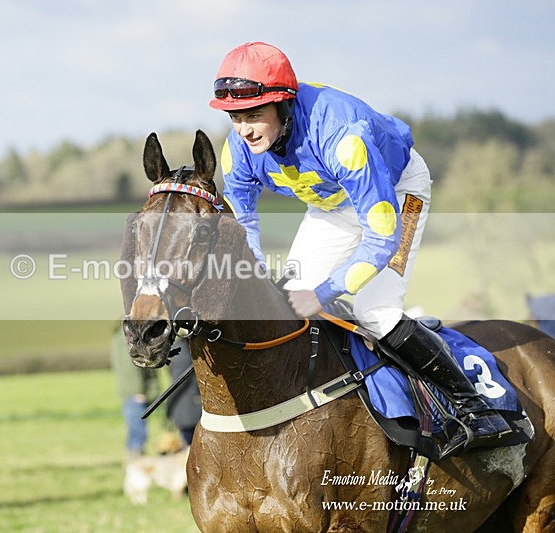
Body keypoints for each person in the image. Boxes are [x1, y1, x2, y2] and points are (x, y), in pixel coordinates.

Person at [209, 41, 513, 456]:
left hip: (395, 194)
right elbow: (244, 224)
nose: (244, 129)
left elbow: (381, 238)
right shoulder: (238, 150)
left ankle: (475, 408)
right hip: (332, 205)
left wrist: (323, 292)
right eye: (236, 117)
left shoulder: (342, 138)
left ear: (284, 105)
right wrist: (258, 279)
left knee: (375, 310)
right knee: (281, 299)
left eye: (255, 115)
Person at [110, 323, 160, 461]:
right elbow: (131, 364)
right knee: (138, 435)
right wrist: (138, 390)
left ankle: (135, 469)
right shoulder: (127, 336)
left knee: (137, 433)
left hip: (132, 393)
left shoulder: (121, 335)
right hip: (136, 395)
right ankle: (135, 470)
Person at [165, 337, 201, 447]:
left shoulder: (181, 353)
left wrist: (168, 408)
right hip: (190, 410)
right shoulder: (186, 349)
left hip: (188, 411)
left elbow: (177, 385)